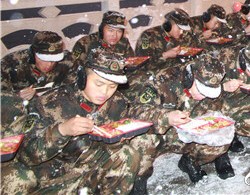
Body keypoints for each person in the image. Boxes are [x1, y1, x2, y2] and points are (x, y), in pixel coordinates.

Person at [17, 49, 189, 195]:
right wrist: (61, 131)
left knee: (127, 153)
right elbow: (25, 154)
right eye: (99, 84)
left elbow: (136, 113)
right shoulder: (48, 103)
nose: (105, 92)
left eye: (112, 86)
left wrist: (166, 116)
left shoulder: (116, 101)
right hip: (59, 179)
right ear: (82, 77)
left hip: (92, 169)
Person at [125, 54, 235, 183]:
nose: (203, 97)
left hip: (189, 132)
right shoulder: (164, 79)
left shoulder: (211, 79)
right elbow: (135, 111)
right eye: (201, 91)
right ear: (191, 77)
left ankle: (190, 161)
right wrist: (166, 117)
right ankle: (139, 181)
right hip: (162, 133)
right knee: (141, 141)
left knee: (221, 134)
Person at [1, 31, 76, 100]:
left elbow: (74, 89)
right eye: (44, 59)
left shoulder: (68, 61)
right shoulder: (10, 64)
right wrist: (17, 96)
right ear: (33, 53)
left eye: (54, 60)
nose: (49, 64)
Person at [135, 8, 201, 71]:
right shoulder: (148, 37)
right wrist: (165, 55)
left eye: (183, 29)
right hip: (155, 73)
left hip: (176, 70)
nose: (181, 32)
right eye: (179, 28)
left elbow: (195, 49)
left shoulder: (183, 35)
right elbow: (143, 65)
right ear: (168, 26)